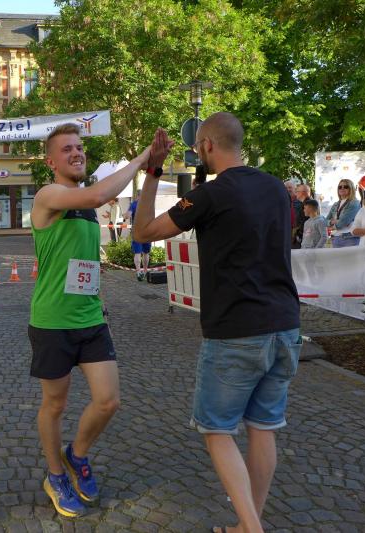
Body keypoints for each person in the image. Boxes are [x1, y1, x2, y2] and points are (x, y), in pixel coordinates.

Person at [132, 112, 300, 533]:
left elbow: (144, 231)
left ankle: (252, 529)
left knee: (218, 430)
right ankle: (247, 524)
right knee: (264, 429)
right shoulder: (276, 188)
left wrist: (153, 172)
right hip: (285, 325)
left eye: (197, 148)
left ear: (206, 145)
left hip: (236, 330)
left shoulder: (210, 195)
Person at [29, 123, 172, 517]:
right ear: (51, 162)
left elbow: (85, 262)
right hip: (53, 321)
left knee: (108, 400)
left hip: (91, 318)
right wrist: (141, 158)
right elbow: (97, 193)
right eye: (67, 149)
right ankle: (55, 475)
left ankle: (76, 455)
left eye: (79, 147)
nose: (76, 153)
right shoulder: (49, 195)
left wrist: (153, 169)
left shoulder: (89, 208)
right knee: (54, 405)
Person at [124, 191, 151, 281]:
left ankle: (139, 272)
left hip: (137, 230)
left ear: (137, 195)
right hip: (147, 230)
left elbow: (127, 216)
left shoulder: (134, 204)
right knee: (146, 252)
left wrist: (125, 215)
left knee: (138, 253)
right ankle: (145, 271)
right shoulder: (148, 204)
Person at [326, 179, 361, 247]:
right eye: (340, 187)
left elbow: (342, 222)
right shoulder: (335, 204)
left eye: (345, 186)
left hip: (349, 238)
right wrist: (331, 222)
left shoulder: (354, 203)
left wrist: (332, 226)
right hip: (335, 237)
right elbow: (325, 221)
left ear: (351, 188)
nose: (342, 188)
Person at [292, 184, 311, 249]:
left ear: (303, 192)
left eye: (297, 191)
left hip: (305, 238)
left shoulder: (308, 204)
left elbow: (306, 222)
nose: (295, 194)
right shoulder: (306, 203)